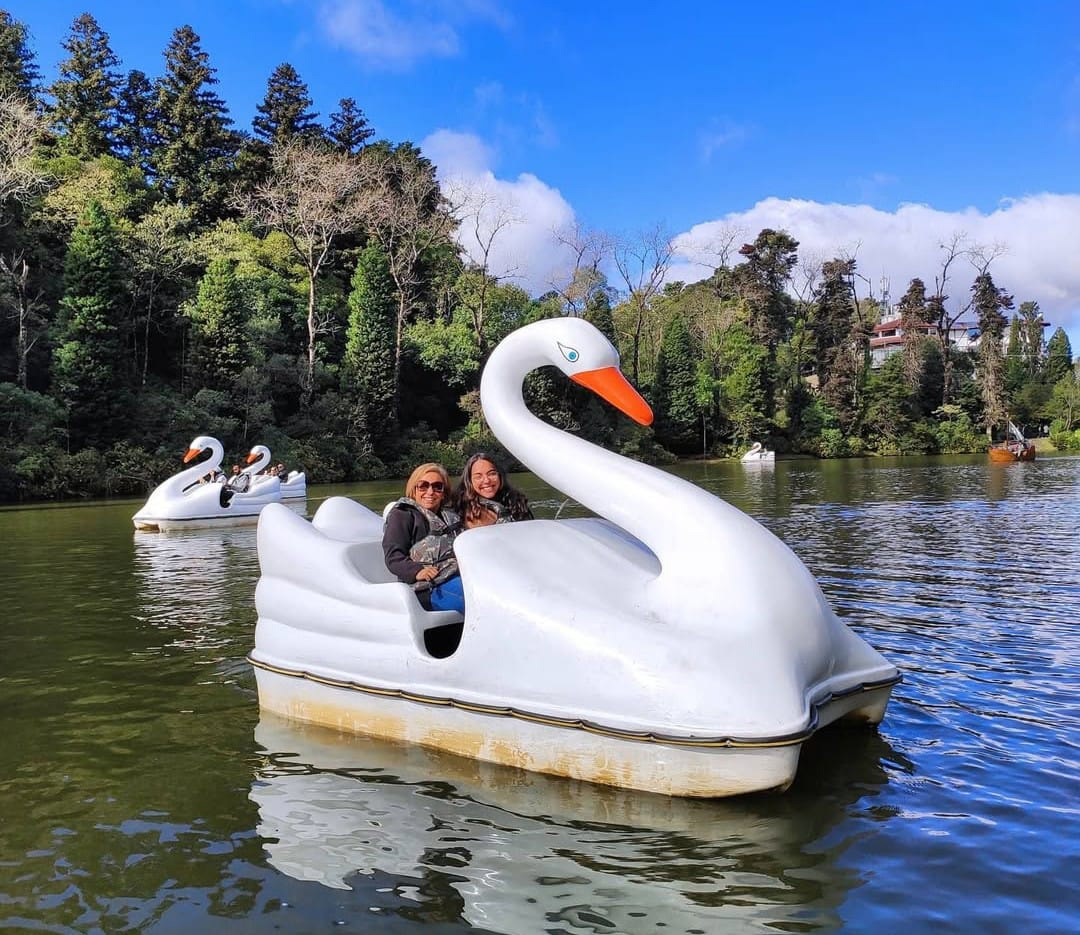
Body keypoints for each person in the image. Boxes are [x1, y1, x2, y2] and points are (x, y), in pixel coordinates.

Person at [382, 463, 465, 614]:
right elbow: (393, 557)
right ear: (413, 489)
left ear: (444, 492)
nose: (430, 491)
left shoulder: (451, 516)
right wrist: (417, 571)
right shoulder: (402, 515)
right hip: (428, 588)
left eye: (437, 486)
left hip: (460, 577)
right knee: (477, 601)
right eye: (423, 486)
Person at [453, 452, 533, 529]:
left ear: (500, 475)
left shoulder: (517, 502)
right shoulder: (461, 508)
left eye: (491, 474)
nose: (487, 480)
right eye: (478, 477)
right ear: (469, 481)